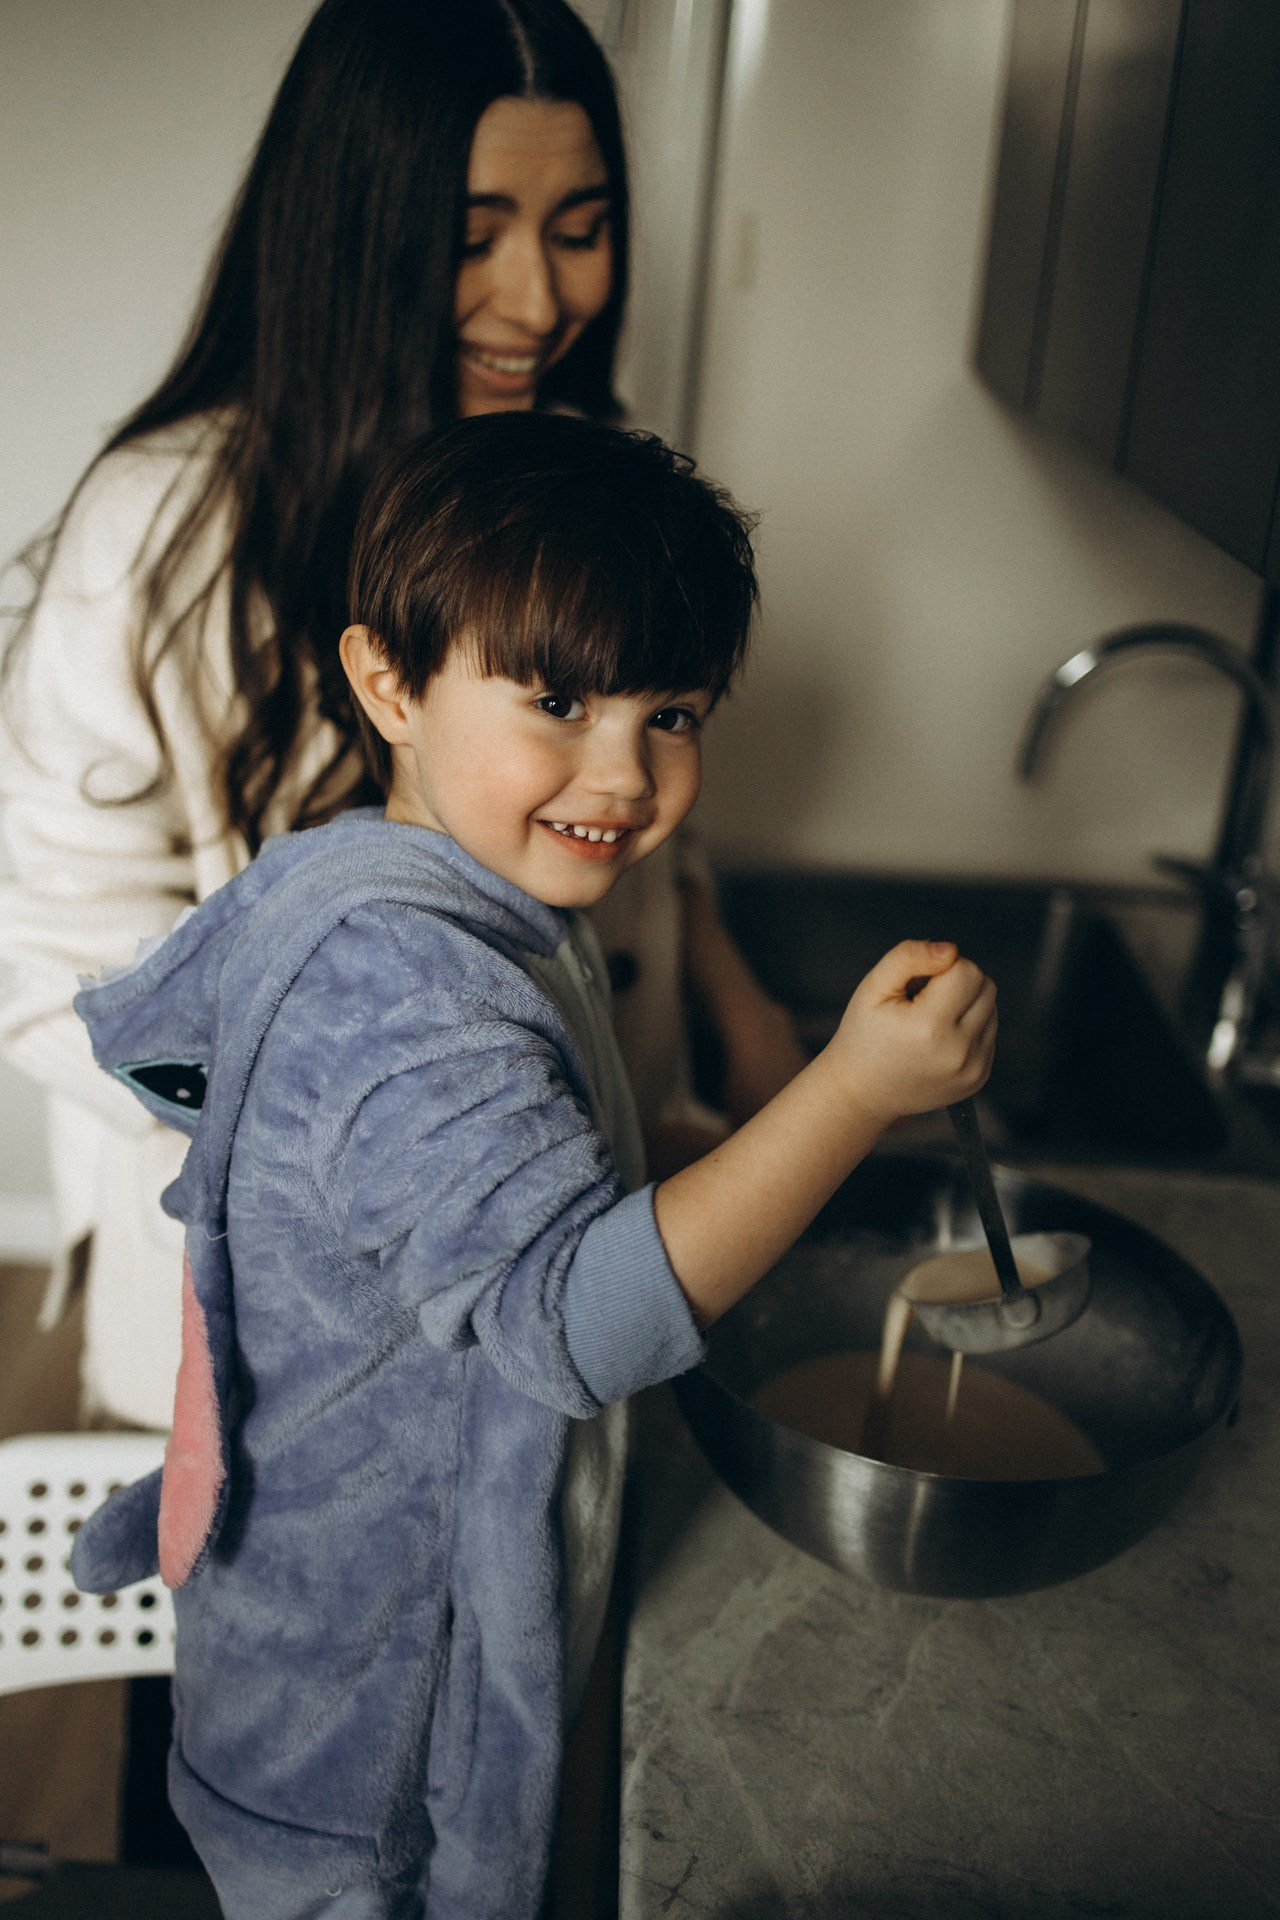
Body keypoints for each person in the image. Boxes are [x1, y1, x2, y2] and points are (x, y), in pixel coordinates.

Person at [70, 412, 996, 1920]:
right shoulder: (407, 997)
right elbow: (575, 1326)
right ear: (389, 684)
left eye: (674, 714)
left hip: (341, 1674)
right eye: (558, 698)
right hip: (369, 1752)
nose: (623, 775)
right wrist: (852, 1093)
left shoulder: (423, 894)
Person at [0, 0, 804, 1431]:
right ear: (351, 233)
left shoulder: (585, 469)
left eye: (578, 227)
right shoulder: (161, 534)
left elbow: (628, 817)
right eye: (471, 231)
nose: (538, 300)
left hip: (577, 1234)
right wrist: (376, 1132)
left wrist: (737, 1010)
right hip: (298, 1297)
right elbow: (47, 959)